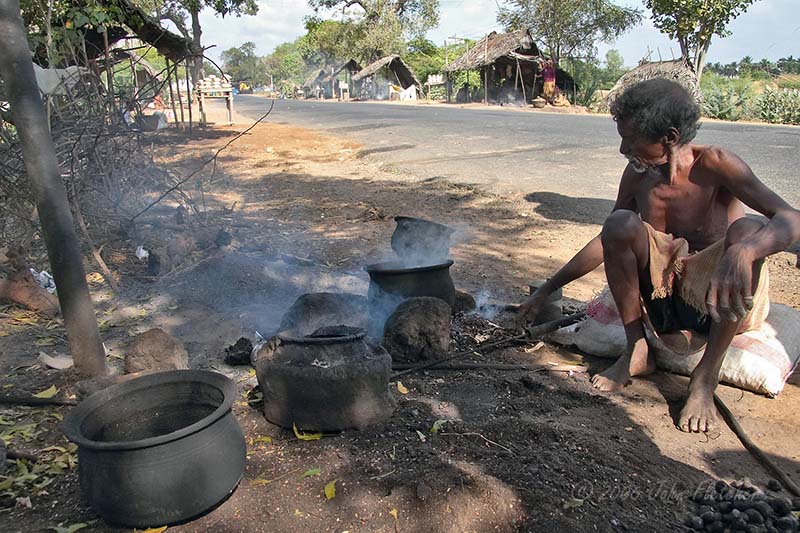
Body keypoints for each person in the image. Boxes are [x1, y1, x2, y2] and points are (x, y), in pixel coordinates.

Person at [518, 78, 800, 433]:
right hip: (666, 304)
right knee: (619, 222)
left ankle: (704, 378)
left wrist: (746, 251)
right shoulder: (638, 177)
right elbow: (608, 240)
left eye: (630, 138)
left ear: (668, 136)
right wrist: (548, 287)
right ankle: (637, 348)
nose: (623, 148)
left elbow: (791, 219)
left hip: (720, 303)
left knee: (747, 230)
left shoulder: (716, 165)